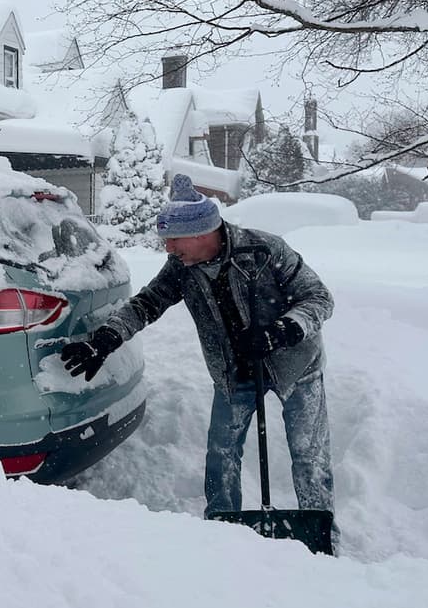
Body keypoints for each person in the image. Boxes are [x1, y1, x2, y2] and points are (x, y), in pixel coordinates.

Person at [62, 174, 335, 522]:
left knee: (309, 454)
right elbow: (147, 303)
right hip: (234, 370)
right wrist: (106, 340)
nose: (169, 249)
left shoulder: (265, 251)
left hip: (295, 364)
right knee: (222, 455)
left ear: (203, 232)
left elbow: (319, 298)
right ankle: (221, 525)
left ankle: (319, 529)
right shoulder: (183, 268)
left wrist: (282, 331)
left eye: (174, 240)